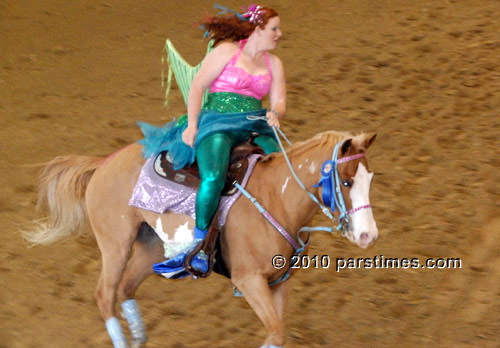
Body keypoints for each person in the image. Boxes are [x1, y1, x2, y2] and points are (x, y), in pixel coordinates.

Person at [141, 5, 286, 276]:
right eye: (274, 29)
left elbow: (279, 100)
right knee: (213, 176)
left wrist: (276, 113)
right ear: (257, 30)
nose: (279, 34)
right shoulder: (227, 52)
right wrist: (192, 124)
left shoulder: (274, 64)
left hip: (255, 124)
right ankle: (199, 243)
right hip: (218, 122)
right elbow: (197, 86)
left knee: (282, 170)